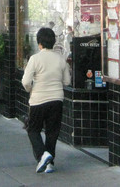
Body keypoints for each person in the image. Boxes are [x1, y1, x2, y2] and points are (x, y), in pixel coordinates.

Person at [22, 27, 71, 174]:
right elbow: (67, 81)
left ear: (39, 43)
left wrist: (30, 90)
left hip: (38, 100)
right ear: (53, 42)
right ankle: (49, 164)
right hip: (57, 100)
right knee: (52, 132)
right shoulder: (60, 59)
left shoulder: (35, 59)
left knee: (33, 129)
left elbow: (26, 81)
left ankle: (42, 155)